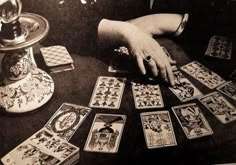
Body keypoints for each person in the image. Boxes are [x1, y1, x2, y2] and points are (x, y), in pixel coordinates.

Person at [22, 0, 189, 86]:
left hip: (134, 65)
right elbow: (55, 25)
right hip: (74, 73)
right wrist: (128, 31)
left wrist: (154, 21)